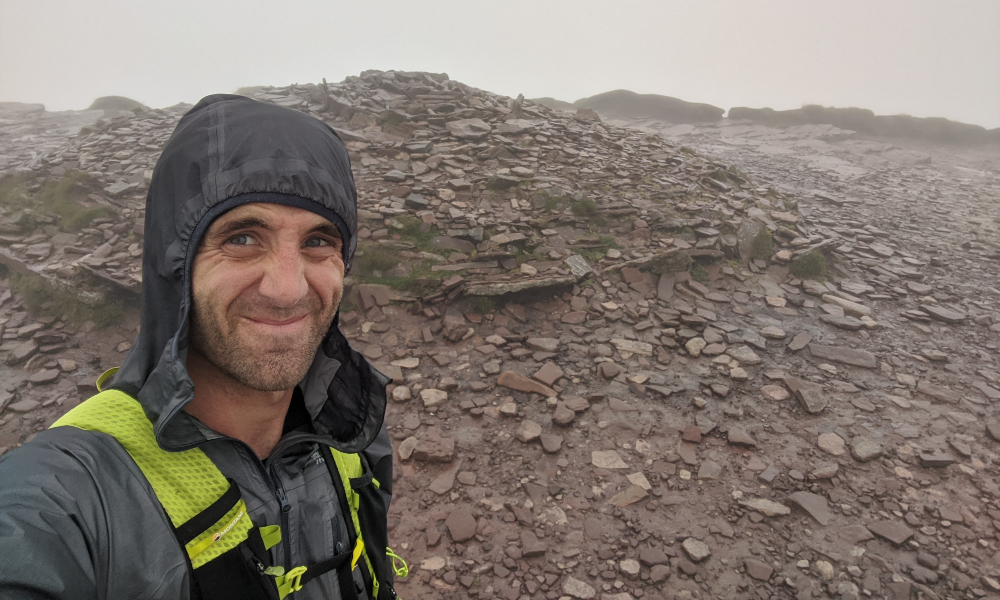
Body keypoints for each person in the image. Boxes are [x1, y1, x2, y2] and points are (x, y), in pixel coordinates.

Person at [0, 95, 400, 600]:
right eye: (243, 238)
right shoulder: (69, 497)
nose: (288, 289)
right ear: (176, 265)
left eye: (318, 241)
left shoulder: (353, 436)